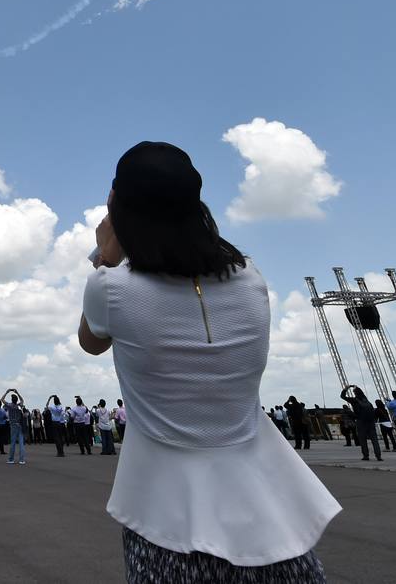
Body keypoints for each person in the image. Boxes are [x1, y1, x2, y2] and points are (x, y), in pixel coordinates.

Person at [79, 141, 339, 582]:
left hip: (166, 512)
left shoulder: (111, 288)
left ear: (121, 209)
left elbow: (91, 342)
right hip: (269, 505)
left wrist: (105, 255)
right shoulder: (250, 277)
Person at [340, 385, 382, 461]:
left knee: (363, 440)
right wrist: (357, 387)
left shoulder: (354, 400)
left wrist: (346, 388)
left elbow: (342, 396)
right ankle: (378, 456)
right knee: (374, 440)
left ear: (355, 393)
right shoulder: (366, 400)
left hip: (361, 422)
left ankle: (366, 456)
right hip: (371, 422)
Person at [3, 390, 26, 466]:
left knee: (13, 443)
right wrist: (18, 393)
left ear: (12, 400)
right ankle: (22, 459)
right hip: (20, 425)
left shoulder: (10, 406)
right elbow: (22, 400)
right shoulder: (19, 406)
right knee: (21, 443)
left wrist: (7, 392)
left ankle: (11, 459)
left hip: (13, 425)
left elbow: (2, 399)